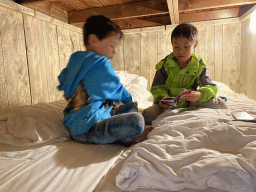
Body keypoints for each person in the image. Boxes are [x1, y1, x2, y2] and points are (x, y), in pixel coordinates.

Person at [57, 15, 154, 146]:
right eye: (111, 45)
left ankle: (115, 126)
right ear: (93, 40)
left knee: (129, 107)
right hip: (90, 129)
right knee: (136, 119)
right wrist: (128, 97)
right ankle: (128, 138)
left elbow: (65, 84)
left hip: (75, 126)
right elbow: (116, 89)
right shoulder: (99, 62)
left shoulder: (75, 59)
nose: (114, 51)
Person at [142, 23, 224, 125]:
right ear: (172, 44)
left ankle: (219, 100)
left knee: (218, 105)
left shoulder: (199, 66)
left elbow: (210, 86)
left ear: (195, 44)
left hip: (191, 101)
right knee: (147, 115)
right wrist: (162, 99)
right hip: (168, 104)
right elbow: (157, 87)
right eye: (176, 47)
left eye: (186, 46)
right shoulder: (165, 64)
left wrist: (200, 94)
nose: (180, 51)